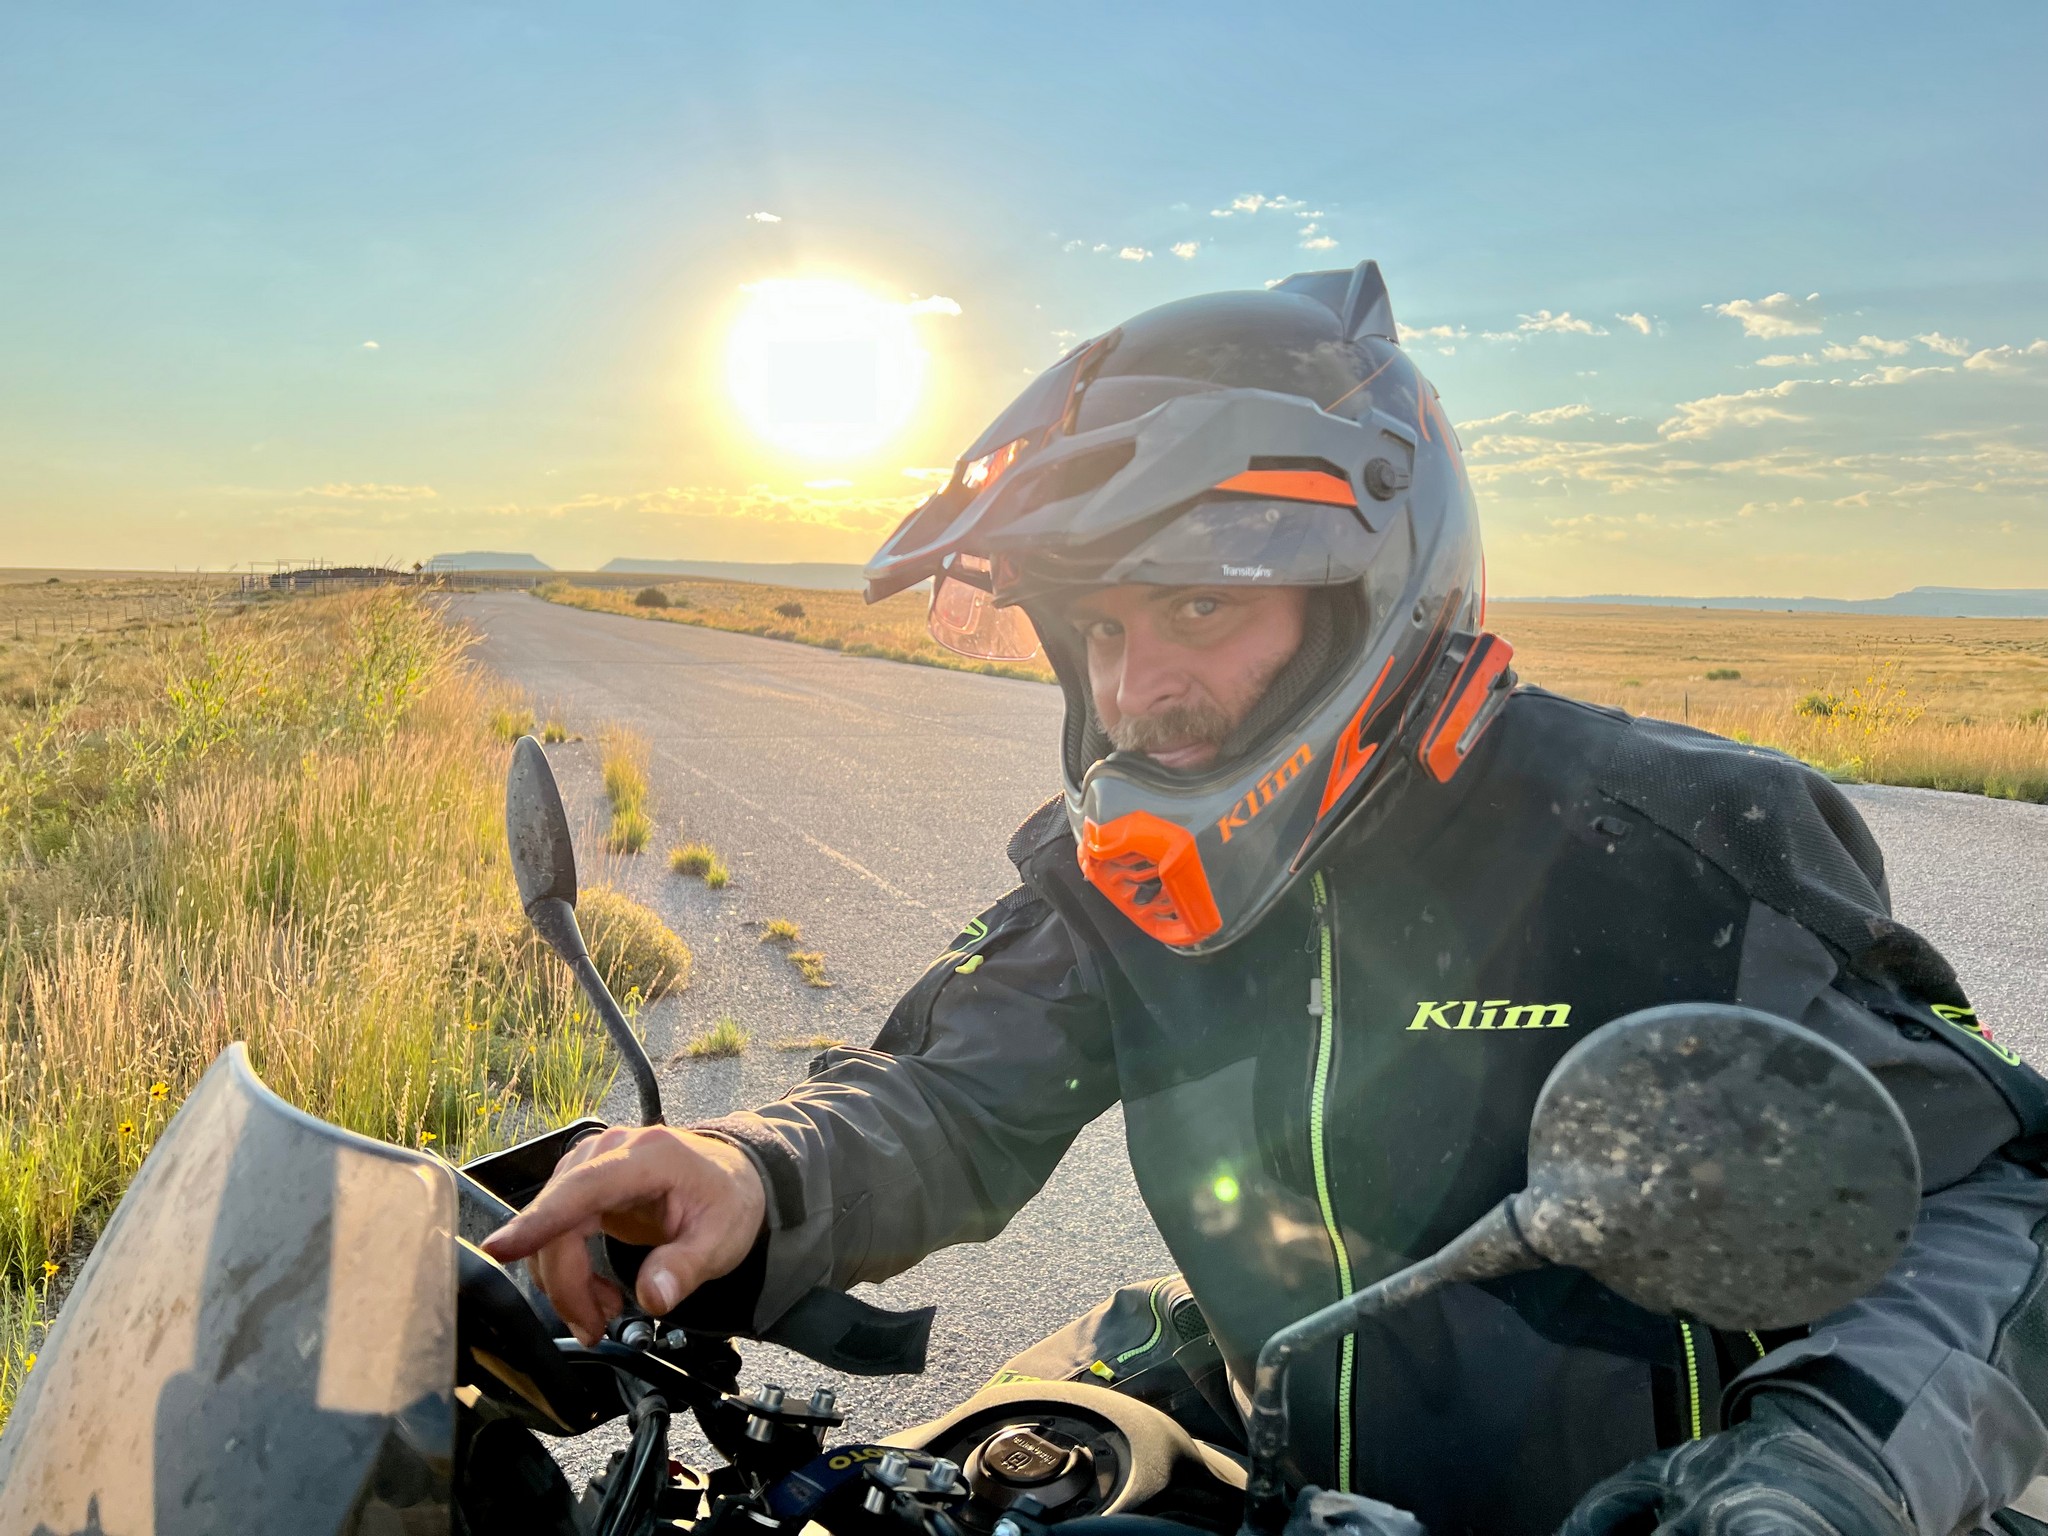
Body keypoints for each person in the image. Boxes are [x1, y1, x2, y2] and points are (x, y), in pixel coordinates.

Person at [485, 262, 2048, 1536]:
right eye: (1100, 624)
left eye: (1198, 605)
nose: (1140, 684)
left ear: (1371, 588)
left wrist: (1828, 1467)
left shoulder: (1688, 844)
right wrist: (754, 1171)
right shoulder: (1120, 876)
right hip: (1287, 1482)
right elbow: (947, 1096)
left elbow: (1998, 1197)